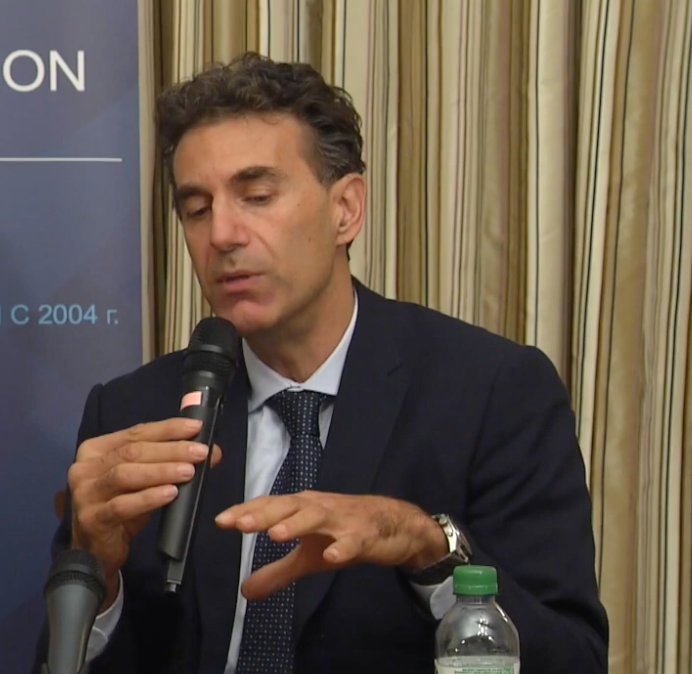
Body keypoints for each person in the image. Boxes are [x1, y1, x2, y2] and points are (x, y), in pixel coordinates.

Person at [31, 52, 609, 673]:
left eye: (256, 196)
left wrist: (426, 546)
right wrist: (98, 575)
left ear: (346, 210)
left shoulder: (490, 392)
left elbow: (571, 660)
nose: (222, 234)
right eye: (197, 209)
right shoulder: (134, 413)